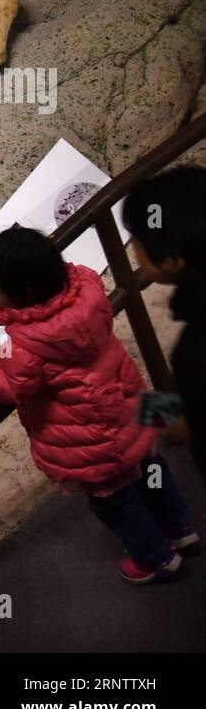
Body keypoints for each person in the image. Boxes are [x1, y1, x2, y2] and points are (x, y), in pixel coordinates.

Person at [0, 226, 197, 583]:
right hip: (132, 407)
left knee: (118, 502)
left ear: (24, 293)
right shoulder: (90, 293)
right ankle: (181, 528)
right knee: (151, 469)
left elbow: (7, 387)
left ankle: (156, 559)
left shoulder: (24, 347)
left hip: (93, 445)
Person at [122, 164, 206, 482]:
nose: (132, 248)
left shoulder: (194, 353)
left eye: (137, 241)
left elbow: (189, 428)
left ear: (171, 260)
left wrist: (139, 406)